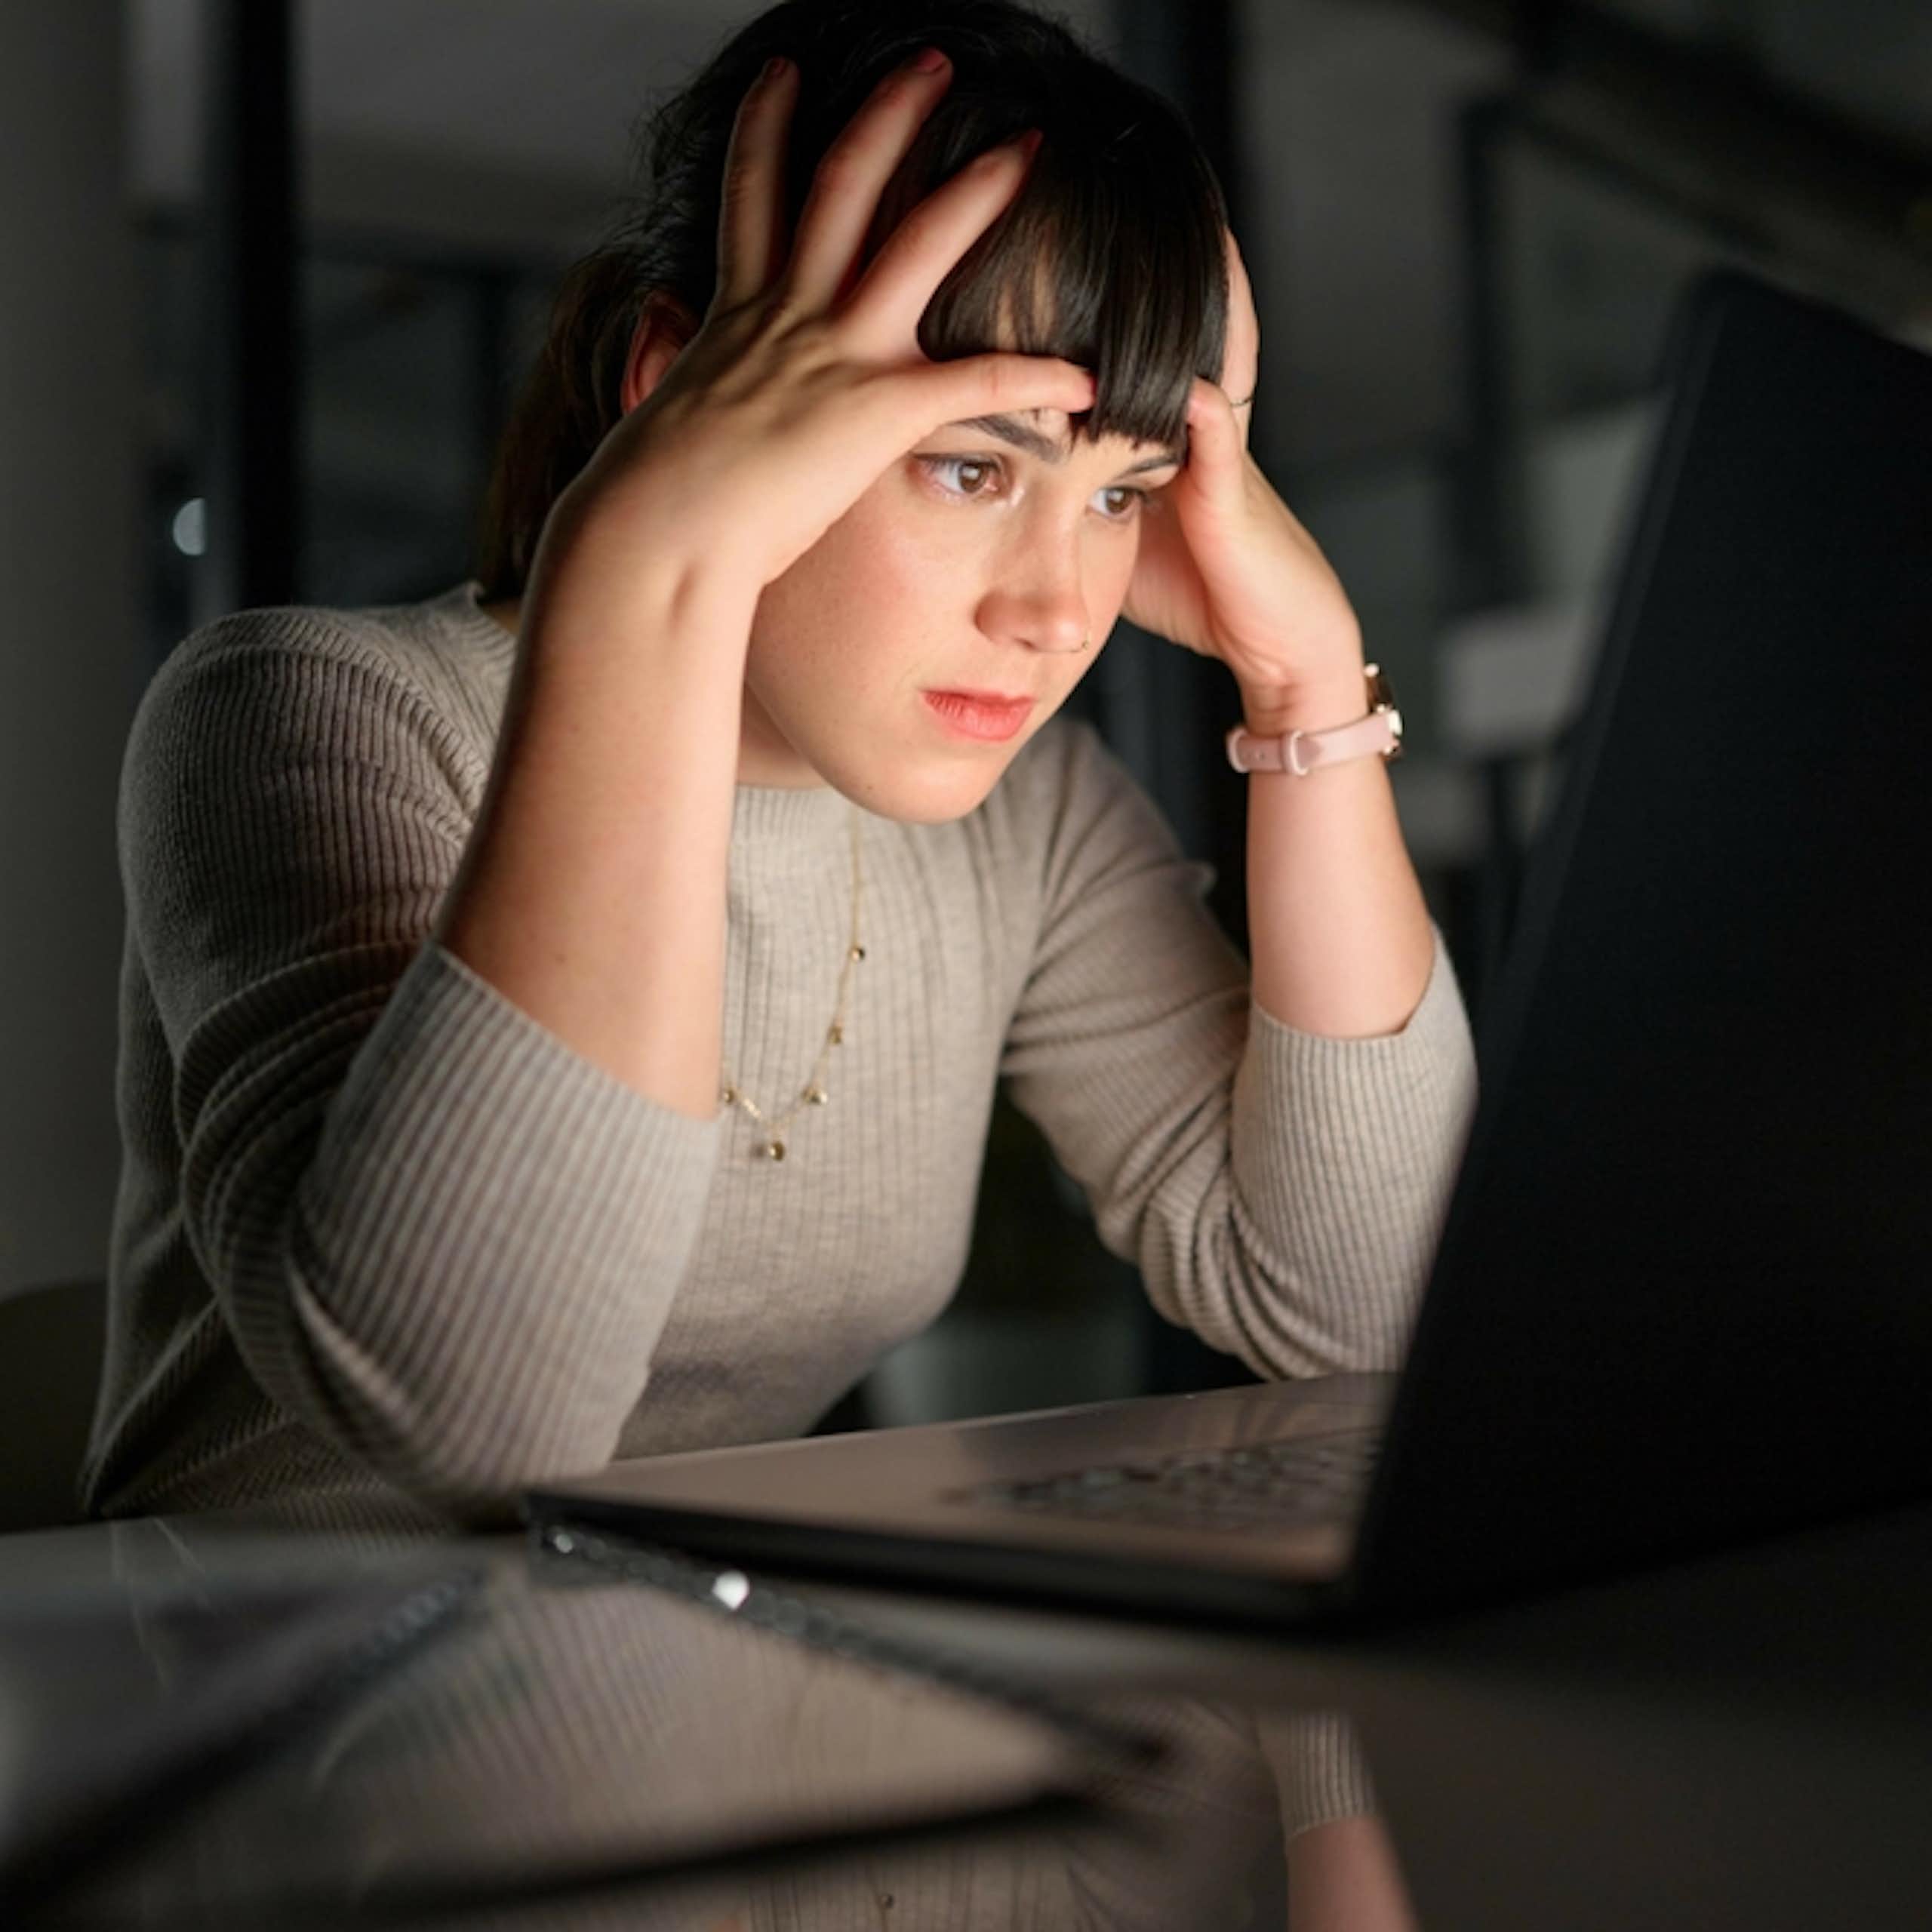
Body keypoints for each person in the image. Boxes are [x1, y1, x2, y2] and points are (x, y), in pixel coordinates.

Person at [82, 0, 1476, 1530]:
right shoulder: (305, 711)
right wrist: (641, 552)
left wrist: (1309, 690)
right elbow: (469, 1414)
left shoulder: (1032, 822)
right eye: (970, 465)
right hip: (252, 1709)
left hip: (692, 1697)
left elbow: (1365, 1315)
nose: (1056, 609)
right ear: (682, 391)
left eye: (1120, 492)